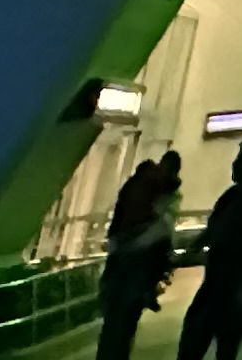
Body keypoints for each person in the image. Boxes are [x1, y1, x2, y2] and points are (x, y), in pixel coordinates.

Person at [178, 140, 242, 360]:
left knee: (221, 339)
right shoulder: (233, 195)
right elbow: (214, 228)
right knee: (203, 338)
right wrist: (195, 245)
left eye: (241, 157)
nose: (234, 164)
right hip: (219, 278)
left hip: (237, 280)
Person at [94, 151, 181, 360]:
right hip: (139, 266)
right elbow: (163, 232)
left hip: (120, 259)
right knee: (125, 324)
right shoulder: (167, 190)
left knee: (113, 322)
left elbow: (119, 217)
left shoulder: (136, 183)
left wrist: (116, 243)